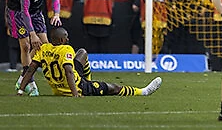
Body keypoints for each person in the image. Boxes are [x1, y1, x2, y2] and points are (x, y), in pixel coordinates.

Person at [17, 26, 162, 97]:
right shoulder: (66, 49)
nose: (68, 39)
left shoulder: (43, 48)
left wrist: (20, 90)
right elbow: (68, 71)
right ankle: (142, 92)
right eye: (66, 37)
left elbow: (30, 69)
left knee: (82, 53)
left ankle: (88, 79)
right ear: (61, 40)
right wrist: (75, 94)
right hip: (77, 87)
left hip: (58, 88)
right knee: (113, 88)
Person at [5, 0, 61, 96]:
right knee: (26, 45)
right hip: (17, 11)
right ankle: (30, 82)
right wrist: (32, 33)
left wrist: (56, 14)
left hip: (35, 11)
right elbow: (24, 10)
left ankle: (23, 77)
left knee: (43, 44)